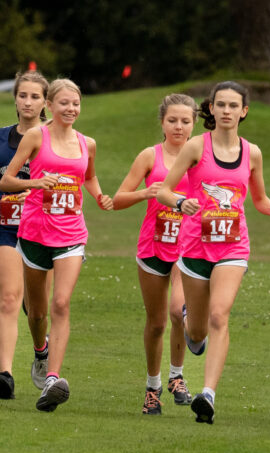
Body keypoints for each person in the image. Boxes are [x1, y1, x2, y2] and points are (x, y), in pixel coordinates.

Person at [157, 81, 270, 424]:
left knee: (220, 315)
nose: (227, 111)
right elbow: (164, 192)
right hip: (195, 247)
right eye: (221, 105)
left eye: (234, 105)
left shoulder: (252, 152)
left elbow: (257, 198)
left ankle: (209, 394)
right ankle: (188, 323)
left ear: (244, 111)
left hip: (233, 247)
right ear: (210, 109)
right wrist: (183, 202)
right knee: (198, 331)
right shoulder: (196, 147)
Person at [0, 78, 113, 411]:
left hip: (71, 234)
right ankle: (40, 351)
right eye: (64, 103)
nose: (71, 109)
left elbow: (88, 176)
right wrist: (37, 182)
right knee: (37, 312)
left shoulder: (86, 143)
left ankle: (52, 379)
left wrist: (99, 195)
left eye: (76, 103)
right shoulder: (37, 137)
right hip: (34, 233)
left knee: (61, 303)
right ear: (50, 105)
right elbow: (7, 180)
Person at [113, 94, 197, 415]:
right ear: (162, 122)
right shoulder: (150, 156)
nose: (178, 126)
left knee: (178, 313)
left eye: (185, 121)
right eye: (172, 120)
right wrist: (145, 193)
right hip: (153, 247)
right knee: (157, 323)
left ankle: (177, 376)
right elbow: (118, 199)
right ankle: (153, 387)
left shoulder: (201, 157)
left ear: (194, 124)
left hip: (187, 249)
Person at [0, 71, 49, 400]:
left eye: (35, 96)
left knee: (36, 310)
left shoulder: (56, 140)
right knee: (8, 298)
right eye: (23, 95)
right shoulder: (1, 138)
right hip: (6, 229)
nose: (27, 102)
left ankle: (41, 350)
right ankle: (4, 374)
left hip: (43, 232)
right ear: (15, 98)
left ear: (45, 101)